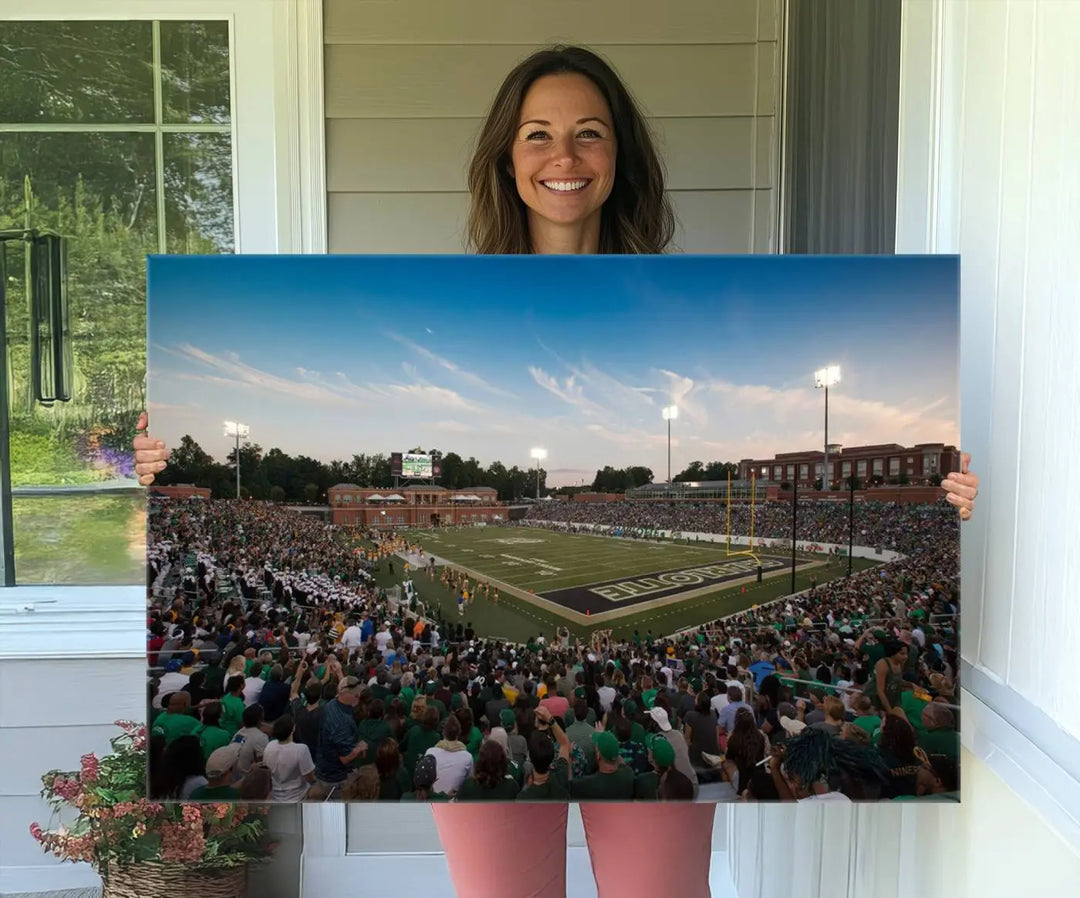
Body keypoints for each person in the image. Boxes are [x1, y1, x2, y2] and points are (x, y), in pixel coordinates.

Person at [132, 42, 982, 898]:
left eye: (590, 134)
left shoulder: (679, 293)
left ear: (622, 156)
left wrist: (955, 500)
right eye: (537, 134)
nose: (563, 157)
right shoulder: (454, 293)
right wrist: (149, 469)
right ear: (507, 156)